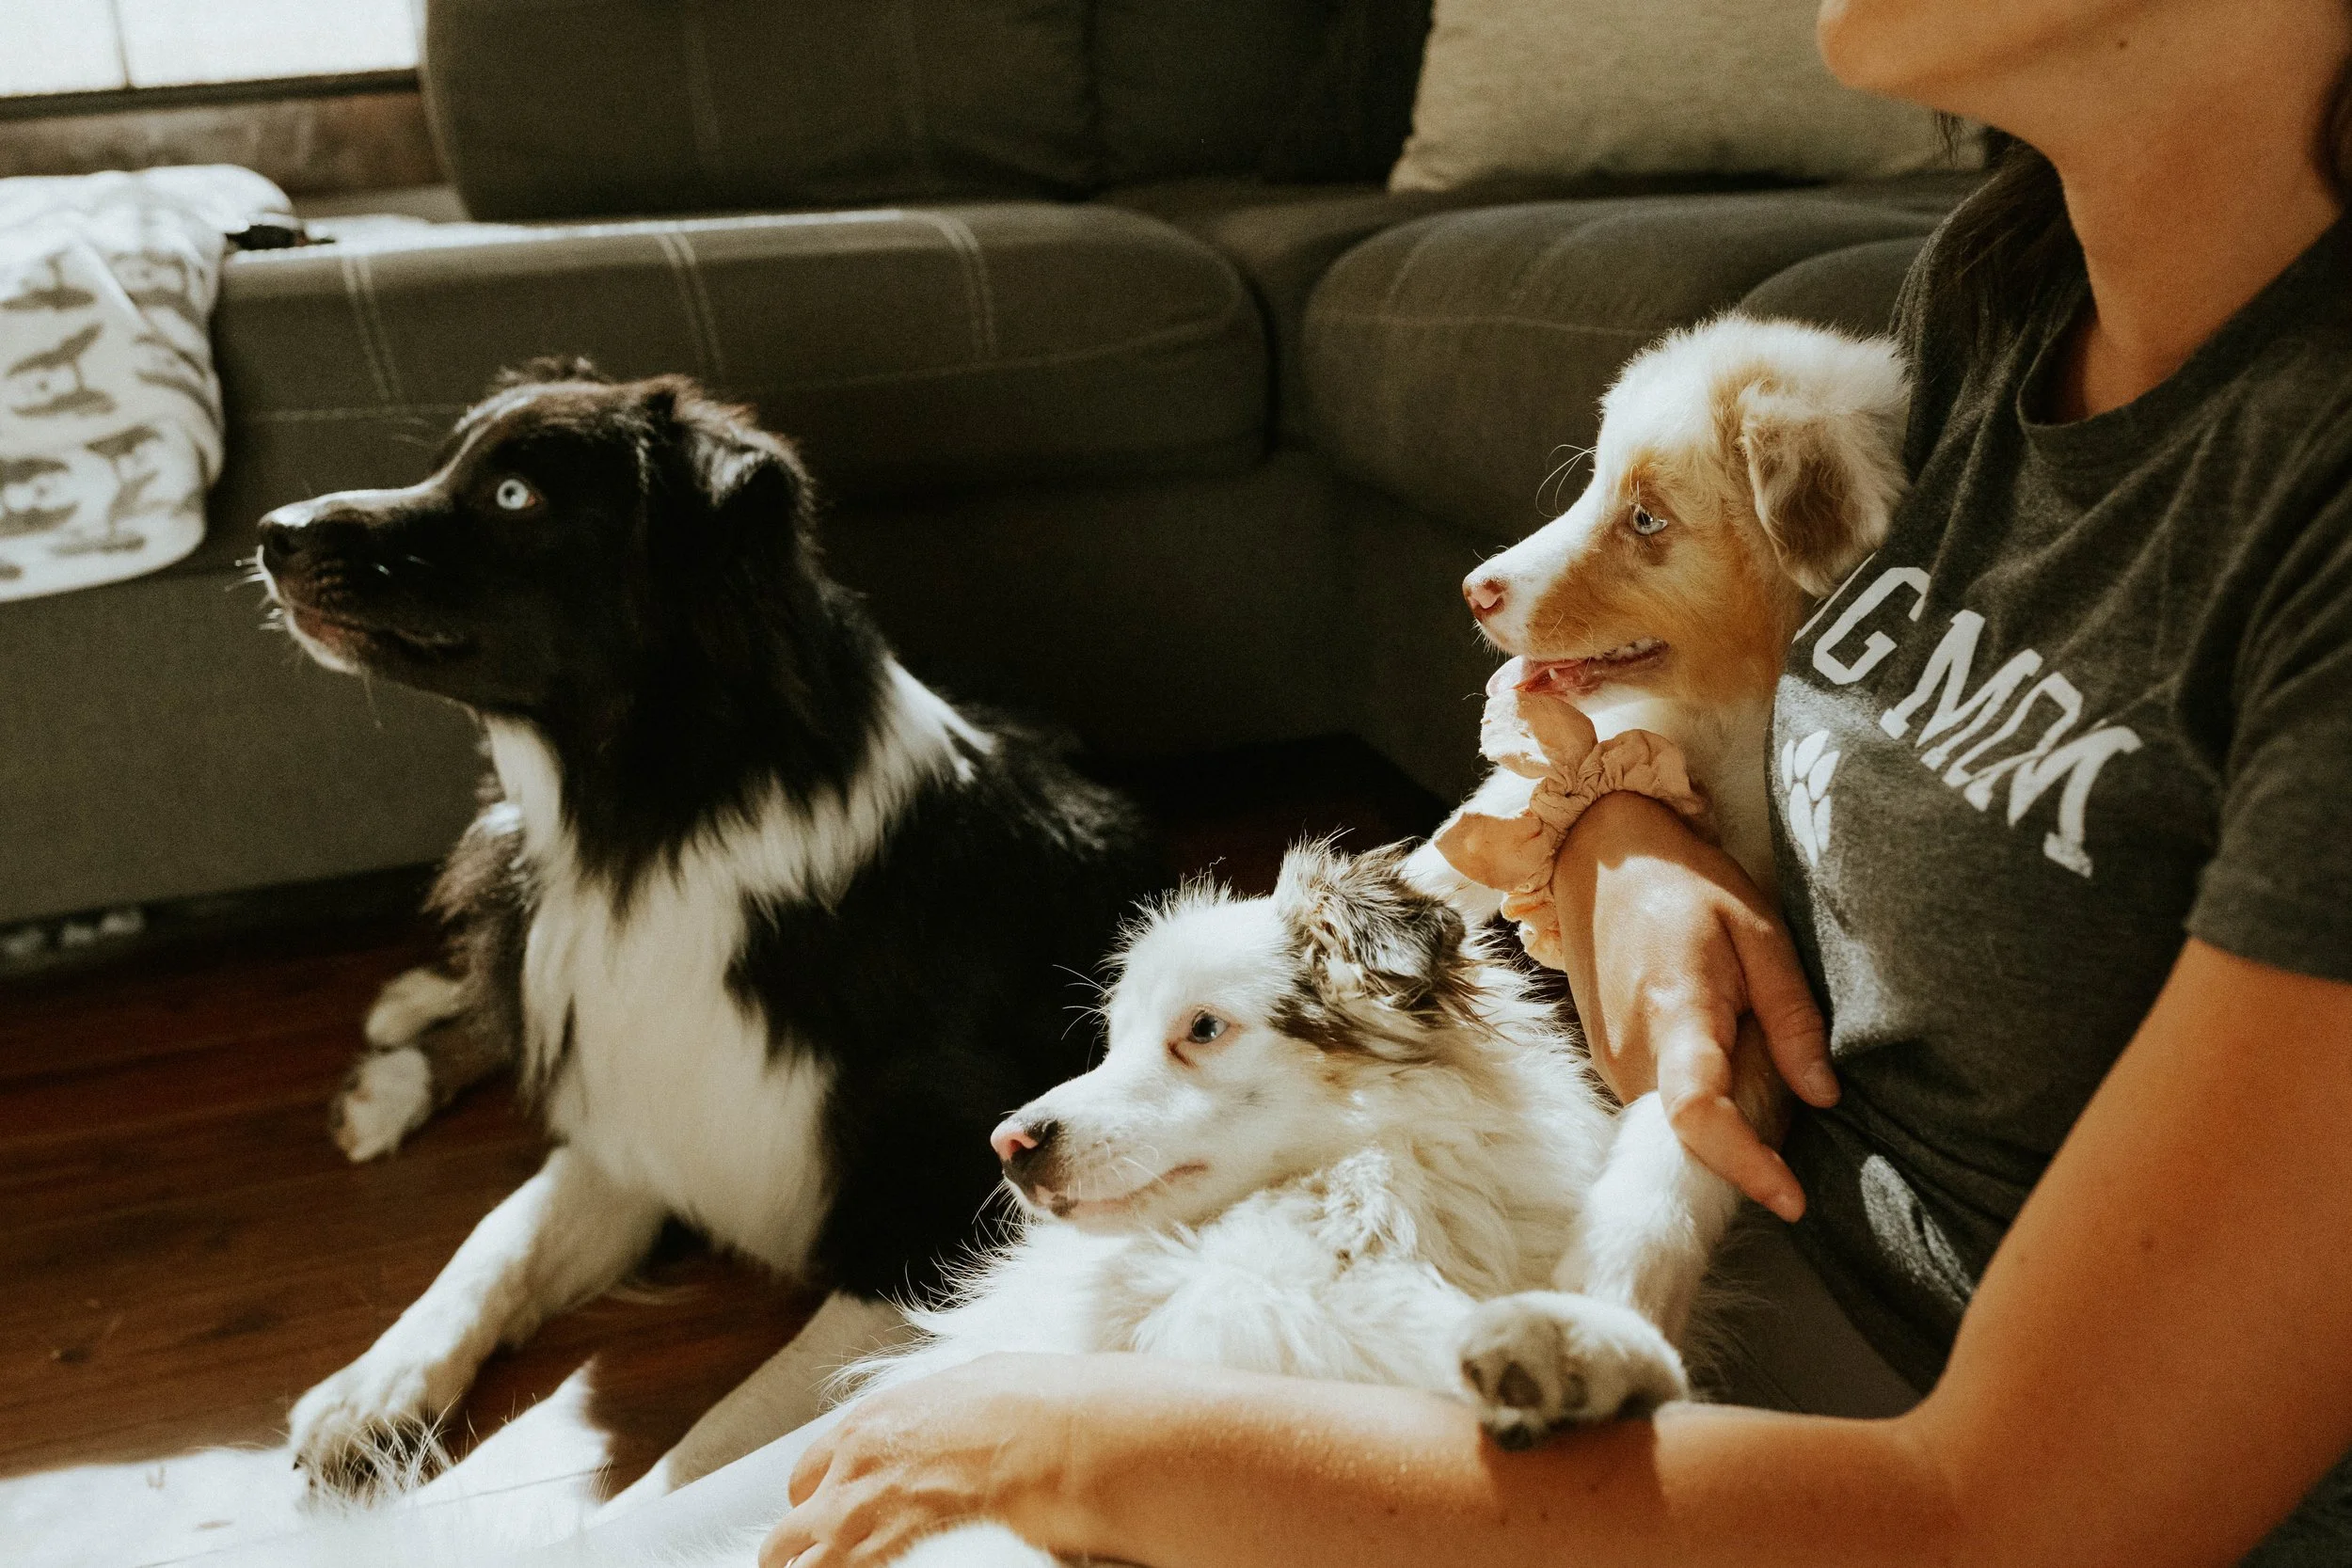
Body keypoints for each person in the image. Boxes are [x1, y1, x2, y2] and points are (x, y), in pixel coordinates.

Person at [596, 4, 2352, 1563]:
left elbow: (2021, 1514)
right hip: (1701, 1263)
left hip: (1915, 1457)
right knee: (813, 1472)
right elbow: (1775, 721)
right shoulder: (2008, 286)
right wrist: (1631, 838)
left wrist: (1088, 1445)